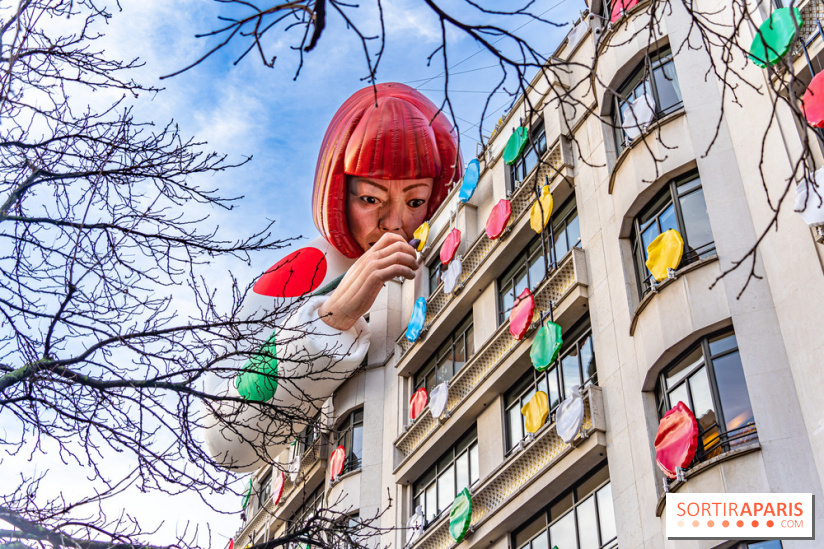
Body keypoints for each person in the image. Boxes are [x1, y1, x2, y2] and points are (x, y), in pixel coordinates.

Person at [203, 83, 463, 471]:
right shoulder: (301, 272)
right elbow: (225, 441)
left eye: (414, 201)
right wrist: (331, 318)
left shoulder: (454, 238)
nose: (394, 223)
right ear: (341, 193)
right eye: (371, 199)